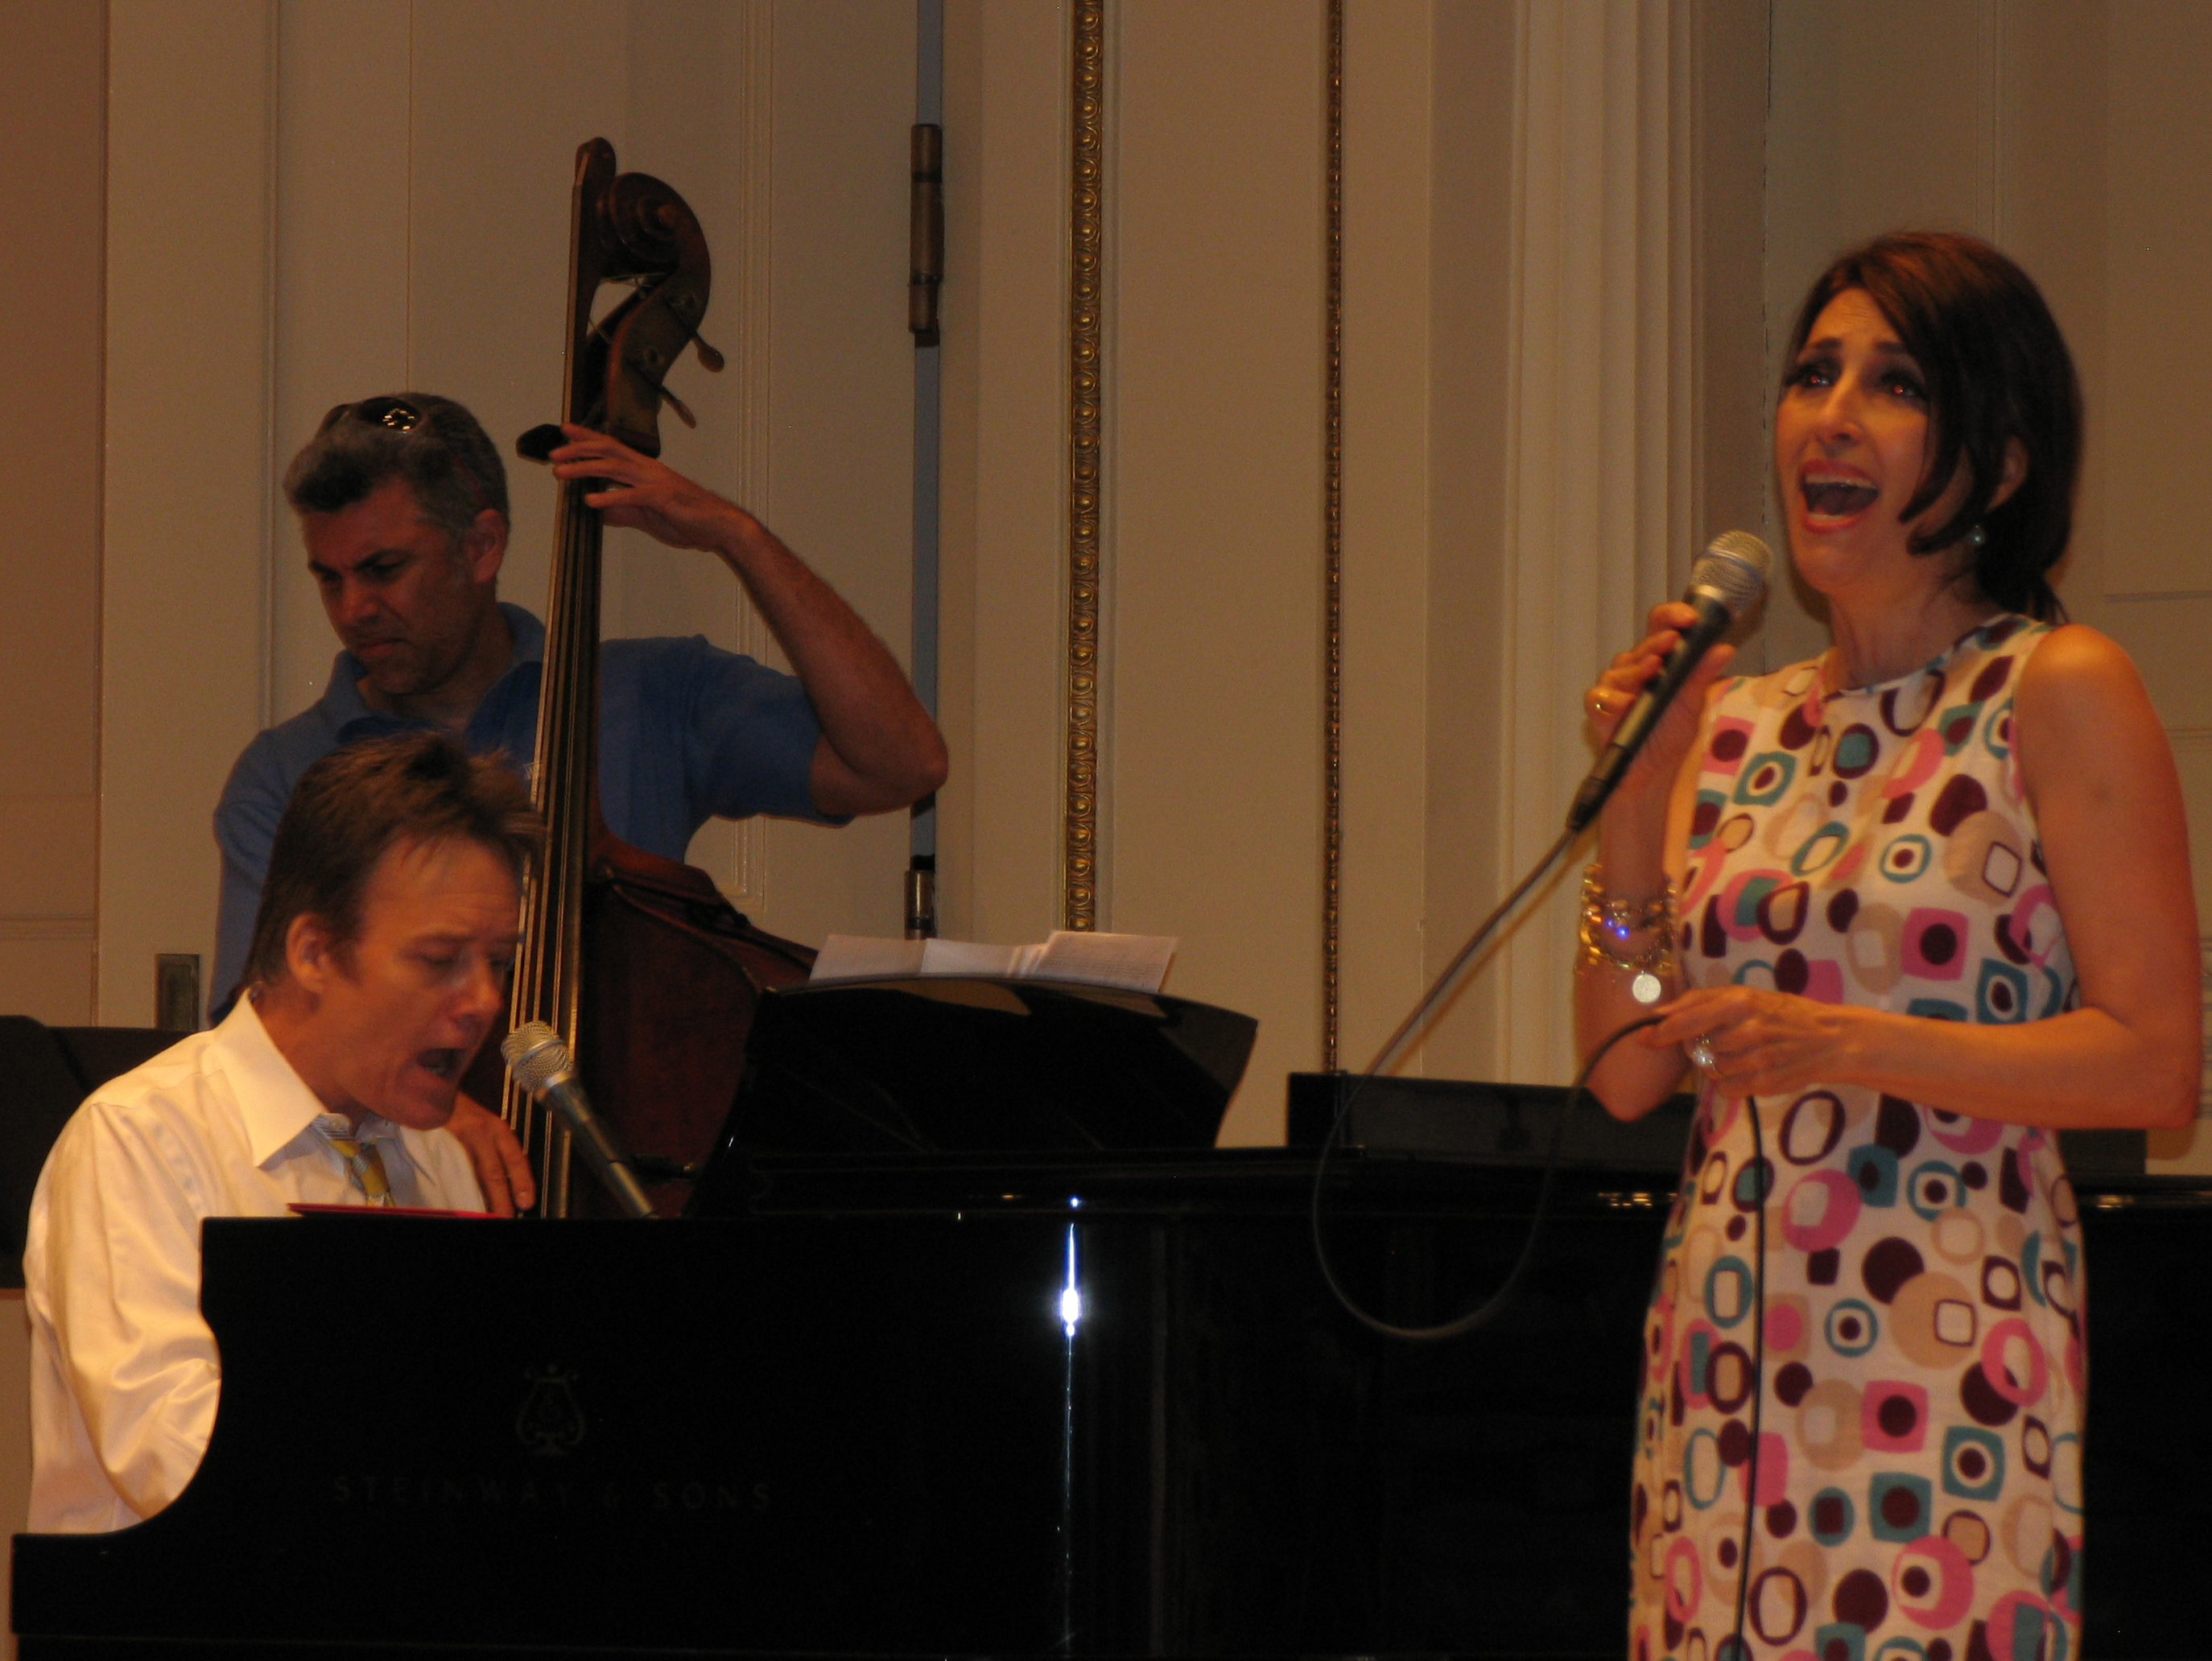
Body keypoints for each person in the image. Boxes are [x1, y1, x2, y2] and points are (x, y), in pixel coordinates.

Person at [1574, 233, 2200, 1661]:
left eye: (1892, 382)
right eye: (1810, 374)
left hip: (1940, 1371)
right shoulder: (1733, 721)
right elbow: (1620, 1072)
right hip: (1721, 1369)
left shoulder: (2054, 685)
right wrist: (1632, 805)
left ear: (1995, 463)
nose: (1829, 414)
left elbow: (2157, 1063)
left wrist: (1853, 1041)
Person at [213, 394, 947, 1211]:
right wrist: (440, 1101)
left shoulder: (649, 694)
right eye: (329, 577)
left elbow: (902, 763)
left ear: (482, 546)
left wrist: (735, 536)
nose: (354, 610)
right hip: (405, 1204)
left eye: (385, 570)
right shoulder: (286, 774)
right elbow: (254, 1036)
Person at [28, 732, 539, 1531]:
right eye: (440, 960)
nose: (481, 1002)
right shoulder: (141, 1140)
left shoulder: (440, 1155)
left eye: (498, 962)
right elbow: (174, 1453)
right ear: (313, 953)